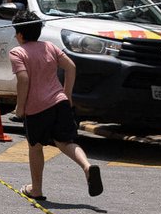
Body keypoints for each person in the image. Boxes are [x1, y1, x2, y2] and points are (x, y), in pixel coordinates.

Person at [8, 12, 102, 200]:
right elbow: (71, 67)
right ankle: (87, 166)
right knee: (66, 142)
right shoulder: (50, 46)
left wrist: (20, 108)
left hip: (37, 108)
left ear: (19, 34)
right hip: (60, 103)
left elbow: (23, 79)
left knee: (35, 146)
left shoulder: (17, 53)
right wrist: (67, 95)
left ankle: (36, 189)